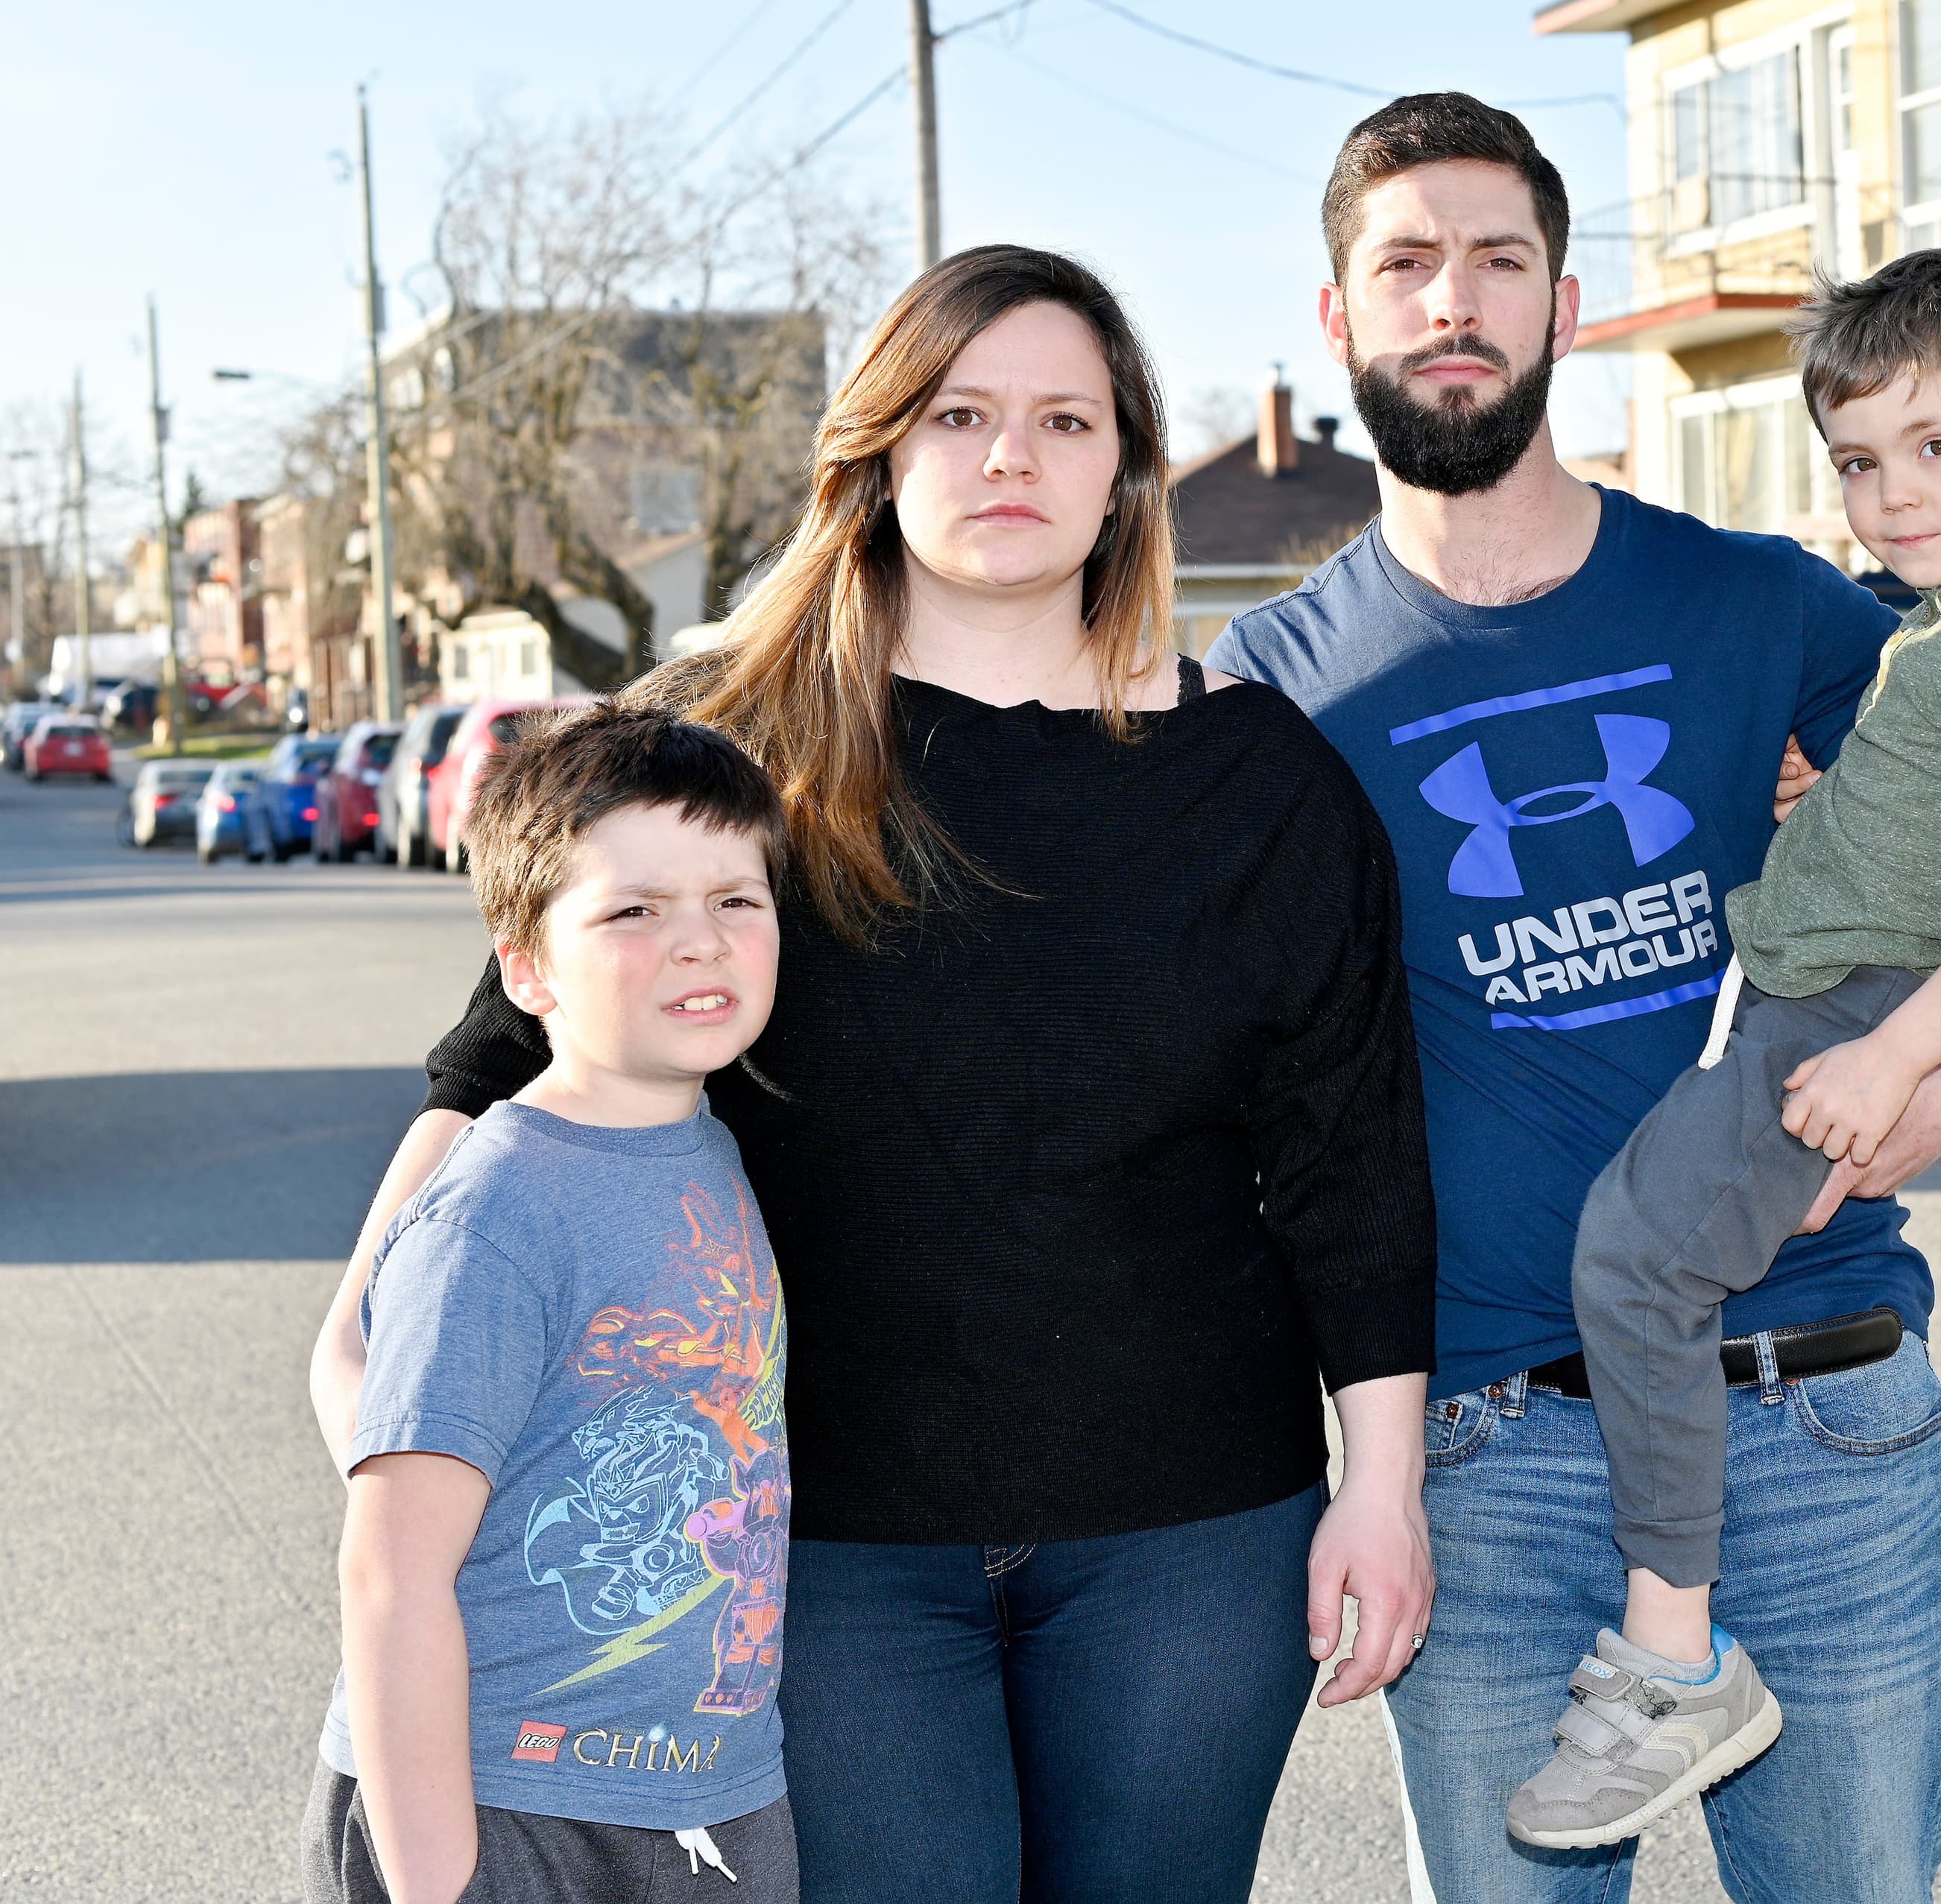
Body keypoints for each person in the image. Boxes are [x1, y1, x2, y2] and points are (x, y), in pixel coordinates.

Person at [312, 245, 1439, 1904]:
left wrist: (1386, 1493)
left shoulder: (1264, 782)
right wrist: (367, 1329)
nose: (1010, 459)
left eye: (1065, 421)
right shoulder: (717, 742)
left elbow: (1353, 1160)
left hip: (1194, 1536)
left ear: (1126, 467)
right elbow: (510, 1045)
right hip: (814, 1549)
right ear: (880, 451)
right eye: (962, 414)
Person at [1209, 96, 1941, 1900]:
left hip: (1816, 1413)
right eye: (1405, 264)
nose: (1452, 299)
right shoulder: (1271, 686)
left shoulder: (1770, 607)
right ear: (1339, 319)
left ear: (1563, 304)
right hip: (1486, 1455)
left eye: (1497, 261)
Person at [1506, 251, 1941, 1850]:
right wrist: (1831, 809)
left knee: (1634, 1267)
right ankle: (1674, 1635)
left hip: (1855, 1022)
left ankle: (1674, 1650)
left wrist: (1908, 1062)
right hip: (1821, 997)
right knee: (1643, 1255)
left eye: (1938, 448)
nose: (1893, 495)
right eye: (1860, 460)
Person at [306, 703, 799, 1904]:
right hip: (502, 1808)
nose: (701, 942)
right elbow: (391, 1575)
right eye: (633, 909)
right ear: (524, 968)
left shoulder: (713, 1156)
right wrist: (439, 1880)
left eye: (736, 899)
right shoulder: (498, 1213)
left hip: (712, 1798)